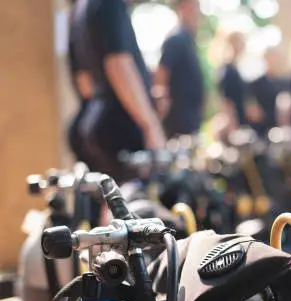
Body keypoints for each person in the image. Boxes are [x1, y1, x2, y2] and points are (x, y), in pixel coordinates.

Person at [71, 0, 165, 183]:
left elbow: (85, 83)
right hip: (120, 128)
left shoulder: (79, 10)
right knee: (130, 205)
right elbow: (117, 64)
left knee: (107, 206)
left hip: (93, 122)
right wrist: (150, 125)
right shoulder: (110, 3)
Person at [153, 0, 205, 138]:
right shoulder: (176, 39)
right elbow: (161, 73)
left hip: (191, 116)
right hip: (179, 118)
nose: (197, 12)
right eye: (193, 6)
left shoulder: (189, 40)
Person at [66, 0, 94, 163]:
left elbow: (84, 84)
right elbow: (117, 64)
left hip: (85, 120)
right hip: (108, 128)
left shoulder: (76, 14)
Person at [247, 45, 287, 138]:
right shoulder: (255, 83)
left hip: (279, 132)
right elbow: (251, 108)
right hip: (260, 132)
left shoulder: (285, 84)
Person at [215, 30, 248, 133]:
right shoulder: (228, 70)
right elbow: (226, 100)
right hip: (232, 122)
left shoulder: (235, 68)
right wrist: (232, 125)